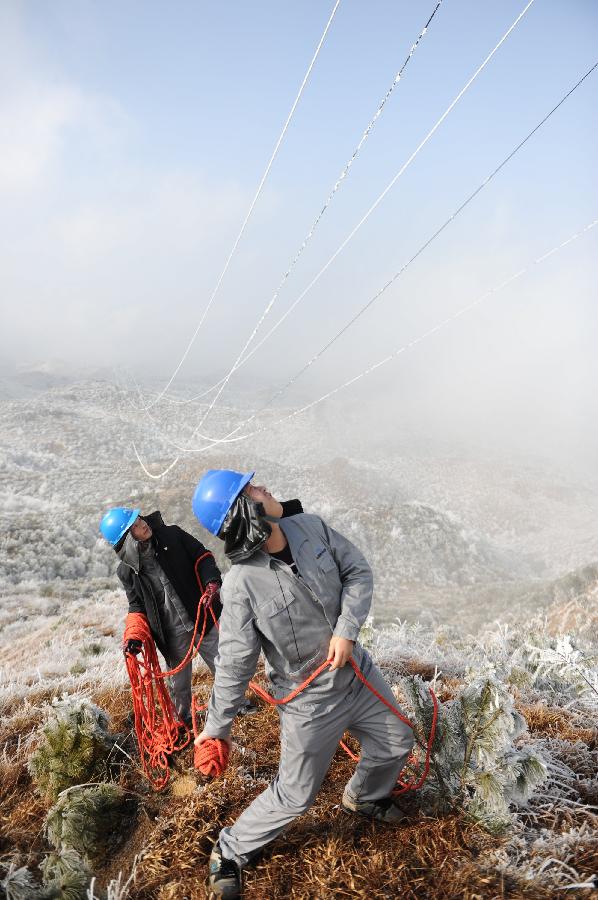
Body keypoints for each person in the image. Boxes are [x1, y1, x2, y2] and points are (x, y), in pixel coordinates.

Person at [192, 469, 414, 899]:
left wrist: (346, 630)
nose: (264, 488)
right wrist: (215, 729)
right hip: (309, 701)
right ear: (244, 512)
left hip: (358, 675)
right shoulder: (241, 585)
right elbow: (235, 663)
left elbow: (358, 572)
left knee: (397, 740)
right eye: (252, 490)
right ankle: (229, 850)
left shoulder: (308, 526)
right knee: (295, 795)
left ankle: (364, 797)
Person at [99, 497, 303, 726]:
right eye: (134, 525)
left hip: (202, 615)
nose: (143, 524)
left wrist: (212, 582)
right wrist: (134, 636)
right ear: (127, 540)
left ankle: (238, 705)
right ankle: (182, 720)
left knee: (223, 662)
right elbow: (136, 605)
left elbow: (202, 555)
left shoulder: (172, 536)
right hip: (171, 632)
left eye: (139, 518)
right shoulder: (127, 573)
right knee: (178, 682)